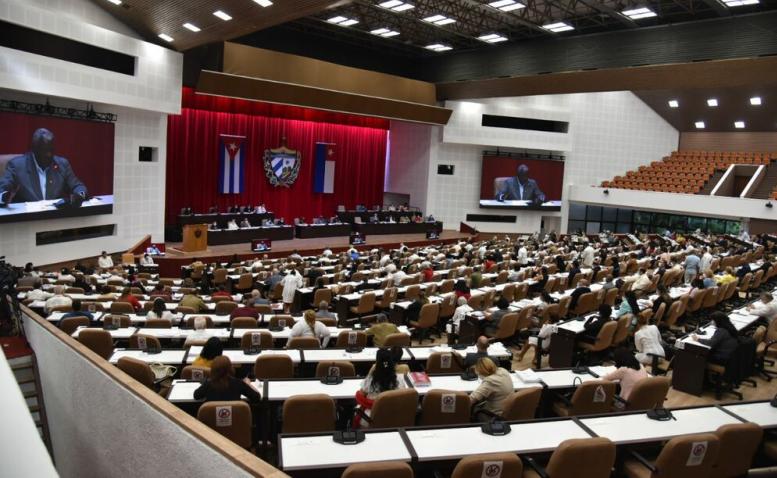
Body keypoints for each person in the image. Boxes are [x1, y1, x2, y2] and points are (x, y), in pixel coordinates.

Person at [0, 128, 87, 204]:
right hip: (27, 218)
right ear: (34, 148)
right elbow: (3, 189)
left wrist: (80, 194)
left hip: (54, 217)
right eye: (45, 150)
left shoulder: (62, 164)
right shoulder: (17, 165)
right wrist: (5, 196)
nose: (49, 155)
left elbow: (77, 186)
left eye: (51, 150)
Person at [354, 348, 400, 428]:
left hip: (370, 417)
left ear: (377, 362)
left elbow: (360, 395)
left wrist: (371, 370)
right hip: (391, 415)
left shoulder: (370, 380)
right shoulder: (398, 380)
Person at [193, 356, 261, 403]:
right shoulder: (238, 383)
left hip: (210, 422)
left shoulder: (208, 384)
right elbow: (257, 397)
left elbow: (196, 396)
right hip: (236, 420)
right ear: (230, 368)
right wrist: (248, 384)